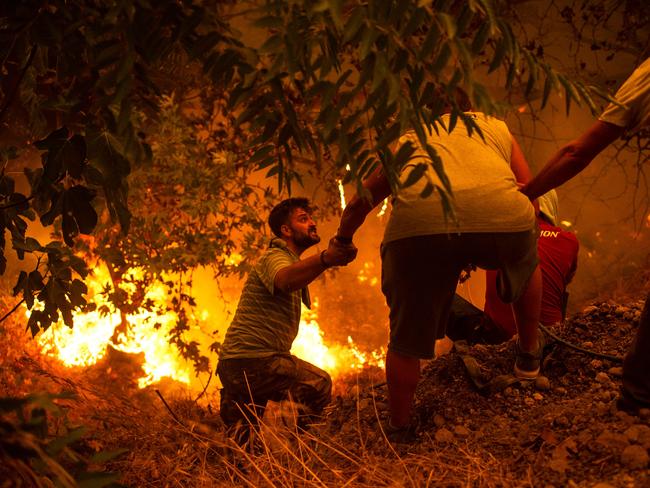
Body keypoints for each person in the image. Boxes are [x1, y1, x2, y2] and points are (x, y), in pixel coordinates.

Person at [337, 105, 544, 441]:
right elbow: (530, 190)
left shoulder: (405, 140)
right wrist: (514, 238)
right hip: (502, 218)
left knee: (404, 338)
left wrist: (342, 240)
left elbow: (361, 203)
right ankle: (529, 356)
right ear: (470, 108)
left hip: (417, 231)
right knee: (527, 256)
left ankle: (399, 428)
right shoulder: (495, 127)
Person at [521, 58, 650, 415]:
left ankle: (637, 399)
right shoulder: (568, 240)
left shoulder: (647, 74)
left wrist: (527, 191)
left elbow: (577, 152)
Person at [217, 197, 356, 445]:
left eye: (311, 218)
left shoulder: (289, 260)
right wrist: (325, 258)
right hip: (255, 362)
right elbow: (284, 280)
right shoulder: (275, 256)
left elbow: (294, 276)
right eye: (304, 219)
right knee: (319, 383)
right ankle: (304, 454)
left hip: (234, 364)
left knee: (242, 450)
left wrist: (328, 259)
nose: (312, 223)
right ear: (286, 230)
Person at [448, 190, 579, 344]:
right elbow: (566, 280)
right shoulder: (569, 241)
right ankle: (555, 330)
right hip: (551, 341)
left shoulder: (496, 233)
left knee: (430, 289)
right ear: (552, 207)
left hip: (496, 341)